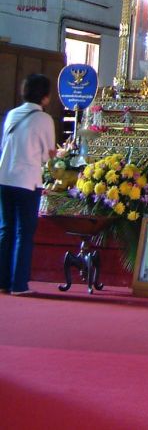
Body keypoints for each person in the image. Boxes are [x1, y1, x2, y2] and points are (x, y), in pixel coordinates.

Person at [0, 74, 57, 295]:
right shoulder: (43, 119)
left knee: (6, 229)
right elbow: (47, 155)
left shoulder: (13, 114)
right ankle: (19, 284)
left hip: (4, 178)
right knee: (24, 232)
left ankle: (3, 281)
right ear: (45, 96)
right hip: (27, 180)